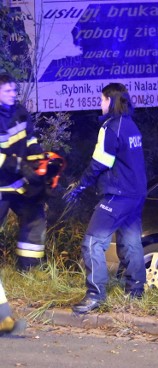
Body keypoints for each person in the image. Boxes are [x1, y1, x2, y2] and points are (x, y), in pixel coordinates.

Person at [65, 83, 147, 314]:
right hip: (136, 194)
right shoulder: (131, 126)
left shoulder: (111, 128)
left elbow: (101, 162)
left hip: (118, 195)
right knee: (131, 243)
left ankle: (95, 295)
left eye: (101, 100)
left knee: (91, 242)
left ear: (110, 100)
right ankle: (136, 293)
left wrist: (80, 186)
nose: (100, 104)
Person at [0, 73, 48, 271]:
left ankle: (30, 270)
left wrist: (39, 157)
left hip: (18, 183)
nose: (13, 93)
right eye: (8, 90)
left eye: (14, 89)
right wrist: (20, 166)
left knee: (35, 218)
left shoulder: (19, 111)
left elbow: (30, 138)